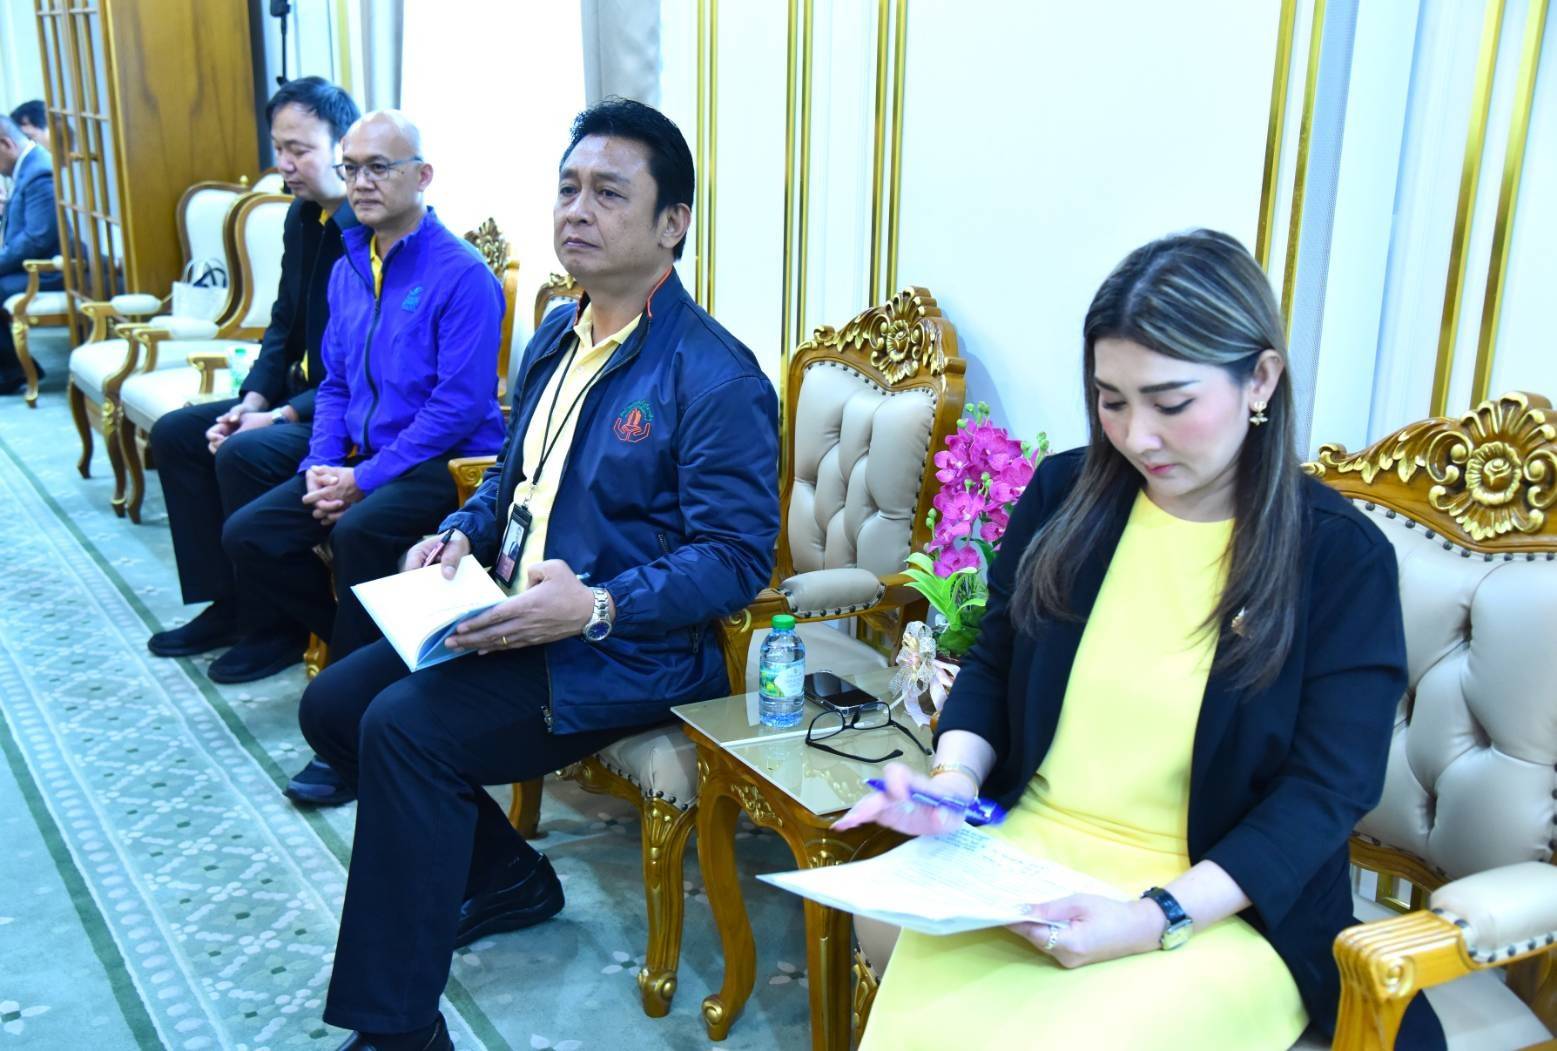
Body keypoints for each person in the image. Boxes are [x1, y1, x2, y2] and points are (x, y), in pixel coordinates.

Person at [836, 231, 1444, 1050]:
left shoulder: (1334, 557)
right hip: (1023, 866)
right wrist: (953, 782)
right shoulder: (1065, 496)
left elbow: (1322, 794)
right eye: (1111, 400)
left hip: (1220, 901)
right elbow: (994, 663)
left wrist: (1151, 916)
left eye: (1170, 402)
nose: (1135, 436)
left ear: (1260, 379)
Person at [296, 98, 779, 1051]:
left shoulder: (714, 376)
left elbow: (733, 560)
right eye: (567, 188)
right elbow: (510, 481)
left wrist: (594, 606)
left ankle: (399, 1032)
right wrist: (458, 533)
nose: (577, 211)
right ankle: (509, 875)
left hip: (625, 650)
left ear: (672, 223)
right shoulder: (557, 331)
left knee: (404, 728)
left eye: (608, 193)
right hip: (514, 610)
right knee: (335, 707)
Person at [223, 109, 508, 809]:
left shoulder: (462, 274)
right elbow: (336, 384)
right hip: (365, 457)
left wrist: (362, 480)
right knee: (251, 535)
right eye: (350, 168)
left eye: (380, 167)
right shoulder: (350, 264)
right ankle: (374, 650)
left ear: (423, 175)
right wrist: (319, 469)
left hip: (449, 464)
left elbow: (458, 407)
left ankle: (347, 739)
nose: (361, 182)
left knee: (359, 531)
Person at [146, 77, 361, 685]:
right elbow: (283, 323)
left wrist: (279, 415)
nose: (283, 163)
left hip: (346, 412)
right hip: (297, 397)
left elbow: (365, 370)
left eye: (299, 149)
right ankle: (230, 604)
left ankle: (278, 627)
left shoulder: (371, 227)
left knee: (245, 451)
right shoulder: (302, 217)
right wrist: (252, 400)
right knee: (178, 434)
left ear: (343, 145)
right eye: (279, 148)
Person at [0, 113, 60, 395]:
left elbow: (37, 239)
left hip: (51, 270)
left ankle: (14, 372)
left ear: (5, 144)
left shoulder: (39, 172)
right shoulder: (29, 167)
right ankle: (16, 368)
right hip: (31, 266)